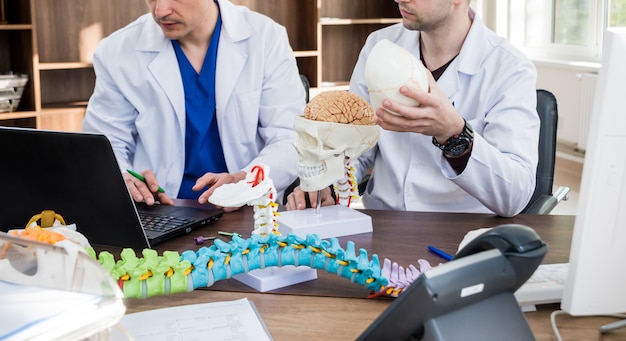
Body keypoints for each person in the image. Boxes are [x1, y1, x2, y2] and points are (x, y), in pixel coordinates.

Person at [285, 0, 539, 217]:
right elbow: (359, 146)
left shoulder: (509, 68)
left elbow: (514, 196)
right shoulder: (380, 44)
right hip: (382, 225)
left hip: (462, 233)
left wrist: (454, 132)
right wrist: (328, 184)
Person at [83, 0, 305, 212]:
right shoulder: (117, 51)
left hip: (247, 211)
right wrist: (122, 176)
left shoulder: (265, 38)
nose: (160, 11)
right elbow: (104, 143)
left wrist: (246, 180)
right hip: (159, 210)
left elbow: (289, 137)